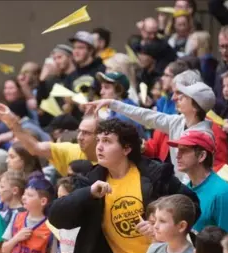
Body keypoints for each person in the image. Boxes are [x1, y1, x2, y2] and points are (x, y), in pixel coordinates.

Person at [48, 119, 200, 253]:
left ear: (126, 148)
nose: (99, 146)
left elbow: (192, 206)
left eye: (107, 141)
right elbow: (56, 217)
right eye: (98, 140)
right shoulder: (92, 181)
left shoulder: (155, 175)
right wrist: (88, 193)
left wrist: (164, 229)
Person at [87, 71, 220, 182]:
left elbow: (196, 173)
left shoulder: (204, 135)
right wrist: (112, 103)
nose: (175, 98)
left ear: (195, 107)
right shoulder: (176, 121)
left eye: (183, 96)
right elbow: (146, 115)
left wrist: (181, 192)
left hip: (193, 190)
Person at [0, 101, 98, 177]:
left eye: (86, 133)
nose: (79, 137)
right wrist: (13, 123)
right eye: (80, 132)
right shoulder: (70, 150)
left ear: (99, 137)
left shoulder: (111, 156)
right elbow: (35, 147)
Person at [167, 130, 228, 233]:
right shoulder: (187, 188)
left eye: (184, 150)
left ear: (202, 156)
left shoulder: (221, 194)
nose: (177, 155)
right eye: (178, 150)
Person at [2, 175, 57, 253]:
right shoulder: (17, 217)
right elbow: (4, 250)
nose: (24, 197)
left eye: (30, 195)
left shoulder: (50, 227)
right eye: (24, 194)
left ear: (43, 201)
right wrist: (16, 238)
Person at [136, 194, 200, 253]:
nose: (155, 226)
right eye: (155, 221)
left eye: (162, 221)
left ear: (181, 226)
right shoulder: (154, 249)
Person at [97, 71, 146, 138]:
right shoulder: (118, 107)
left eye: (106, 87)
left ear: (119, 90)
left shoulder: (124, 114)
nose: (101, 92)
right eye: (101, 87)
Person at [37, 44, 76, 127]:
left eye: (59, 57)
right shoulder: (55, 80)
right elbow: (40, 99)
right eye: (54, 59)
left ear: (70, 57)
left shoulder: (77, 76)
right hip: (56, 124)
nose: (57, 61)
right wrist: (42, 79)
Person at [54, 177, 81, 253]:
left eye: (63, 197)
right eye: (58, 197)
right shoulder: (61, 226)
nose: (59, 202)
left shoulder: (85, 227)